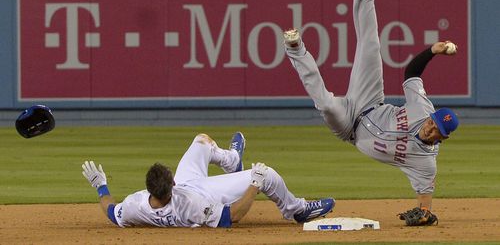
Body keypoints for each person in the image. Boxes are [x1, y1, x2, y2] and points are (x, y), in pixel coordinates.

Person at [283, 0, 458, 226]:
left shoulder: (425, 161)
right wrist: (432, 50)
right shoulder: (422, 109)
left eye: (438, 134)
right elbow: (411, 73)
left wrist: (425, 214)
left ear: (442, 140)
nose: (432, 131)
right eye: (434, 124)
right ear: (432, 117)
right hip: (370, 101)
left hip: (349, 128)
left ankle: (296, 50)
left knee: (328, 105)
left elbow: (424, 199)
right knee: (371, 45)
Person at [82, 132, 334, 228]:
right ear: (171, 184)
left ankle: (232, 160)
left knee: (201, 141)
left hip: (187, 187)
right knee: (268, 174)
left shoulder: (136, 205)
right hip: (204, 193)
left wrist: (100, 185)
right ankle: (297, 210)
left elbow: (111, 211)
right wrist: (255, 185)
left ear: (149, 189)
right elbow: (230, 217)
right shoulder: (191, 204)